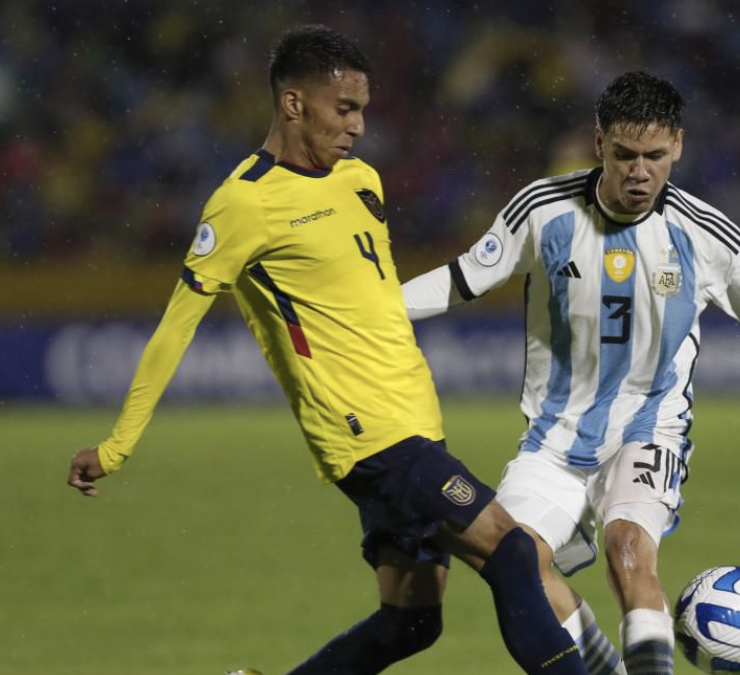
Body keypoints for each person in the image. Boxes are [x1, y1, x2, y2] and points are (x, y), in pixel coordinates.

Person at [65, 24, 590, 675]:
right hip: (368, 439)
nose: (360, 126)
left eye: (363, 109)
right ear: (293, 103)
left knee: (412, 622)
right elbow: (176, 326)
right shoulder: (244, 203)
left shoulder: (360, 180)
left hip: (415, 428)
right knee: (511, 550)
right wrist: (117, 445)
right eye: (345, 108)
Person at [402, 71, 740, 675]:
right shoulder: (543, 209)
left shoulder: (702, 232)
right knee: (515, 564)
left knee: (628, 551)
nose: (639, 171)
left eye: (655, 156)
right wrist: (376, 308)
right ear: (599, 145)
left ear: (679, 147)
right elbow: (461, 278)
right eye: (624, 155)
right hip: (554, 437)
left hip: (649, 425)